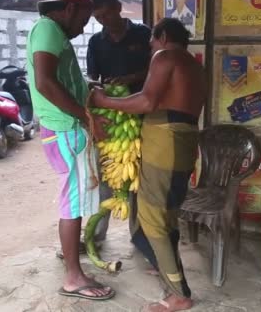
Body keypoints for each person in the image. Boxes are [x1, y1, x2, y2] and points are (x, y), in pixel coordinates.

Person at [91, 18, 207, 312]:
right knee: (165, 213)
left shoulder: (165, 56)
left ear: (163, 36)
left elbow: (146, 102)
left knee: (153, 216)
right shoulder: (195, 66)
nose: (151, 47)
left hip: (164, 142)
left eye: (153, 41)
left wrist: (104, 102)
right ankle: (165, 265)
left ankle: (178, 294)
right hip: (183, 141)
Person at [26, 0, 114, 301]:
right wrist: (87, 117)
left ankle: (72, 263)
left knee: (73, 202)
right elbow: (45, 82)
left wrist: (86, 88)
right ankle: (74, 278)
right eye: (83, 20)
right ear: (69, 9)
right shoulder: (48, 29)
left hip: (63, 127)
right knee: (72, 204)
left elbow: (60, 79)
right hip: (64, 129)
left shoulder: (53, 33)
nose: (82, 29)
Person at [86, 0, 153, 243]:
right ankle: (98, 235)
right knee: (107, 173)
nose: (104, 21)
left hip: (141, 113)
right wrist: (102, 88)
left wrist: (130, 78)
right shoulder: (96, 42)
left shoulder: (143, 34)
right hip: (111, 117)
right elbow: (93, 79)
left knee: (138, 176)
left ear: (117, 7)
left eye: (106, 15)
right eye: (98, 18)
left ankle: (139, 238)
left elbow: (154, 71)